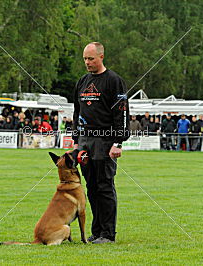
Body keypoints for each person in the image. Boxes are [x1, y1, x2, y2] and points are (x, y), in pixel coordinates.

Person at [72, 42, 130, 244]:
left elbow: (121, 112)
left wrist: (118, 142)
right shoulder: (82, 81)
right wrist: (77, 141)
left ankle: (108, 234)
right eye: (85, 59)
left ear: (101, 57)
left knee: (105, 186)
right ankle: (96, 232)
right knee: (91, 186)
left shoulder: (114, 81)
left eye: (91, 59)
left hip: (106, 141)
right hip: (86, 141)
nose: (87, 63)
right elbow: (77, 112)